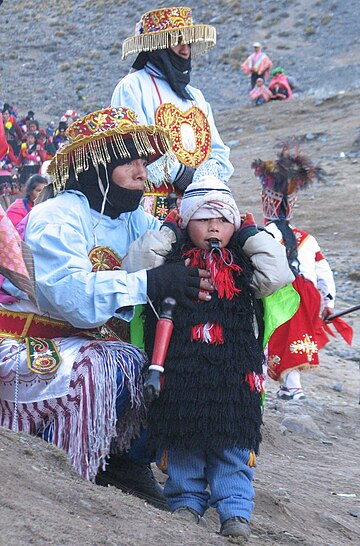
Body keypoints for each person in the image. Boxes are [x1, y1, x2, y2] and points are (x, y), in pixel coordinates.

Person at [0, 107, 214, 509]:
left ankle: (131, 458)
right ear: (99, 165)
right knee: (110, 365)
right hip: (37, 338)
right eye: (130, 161)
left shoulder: (134, 218)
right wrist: (149, 282)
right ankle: (66, 454)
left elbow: (174, 247)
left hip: (96, 342)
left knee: (179, 355)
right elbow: (73, 299)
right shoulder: (56, 215)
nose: (141, 172)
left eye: (144, 162)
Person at [138, 176, 295, 540]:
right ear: (185, 221)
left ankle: (235, 512)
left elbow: (278, 273)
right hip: (181, 369)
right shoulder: (171, 263)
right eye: (202, 219)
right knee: (183, 438)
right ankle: (186, 504)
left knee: (232, 442)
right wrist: (169, 232)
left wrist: (249, 236)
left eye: (224, 220)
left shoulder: (244, 266)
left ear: (236, 224)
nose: (213, 227)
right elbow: (138, 265)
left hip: (234, 373)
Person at [111, 6, 234, 221]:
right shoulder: (132, 86)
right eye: (178, 42)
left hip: (199, 205)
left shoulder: (196, 96)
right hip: (149, 206)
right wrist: (180, 173)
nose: (185, 50)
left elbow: (218, 151)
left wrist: (201, 180)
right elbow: (133, 145)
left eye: (187, 43)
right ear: (159, 47)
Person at [252, 143, 352, 400]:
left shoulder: (262, 235)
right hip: (307, 296)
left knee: (267, 336)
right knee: (294, 338)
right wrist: (328, 302)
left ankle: (260, 384)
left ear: (268, 203)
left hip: (278, 293)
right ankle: (291, 387)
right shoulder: (307, 239)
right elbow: (324, 273)